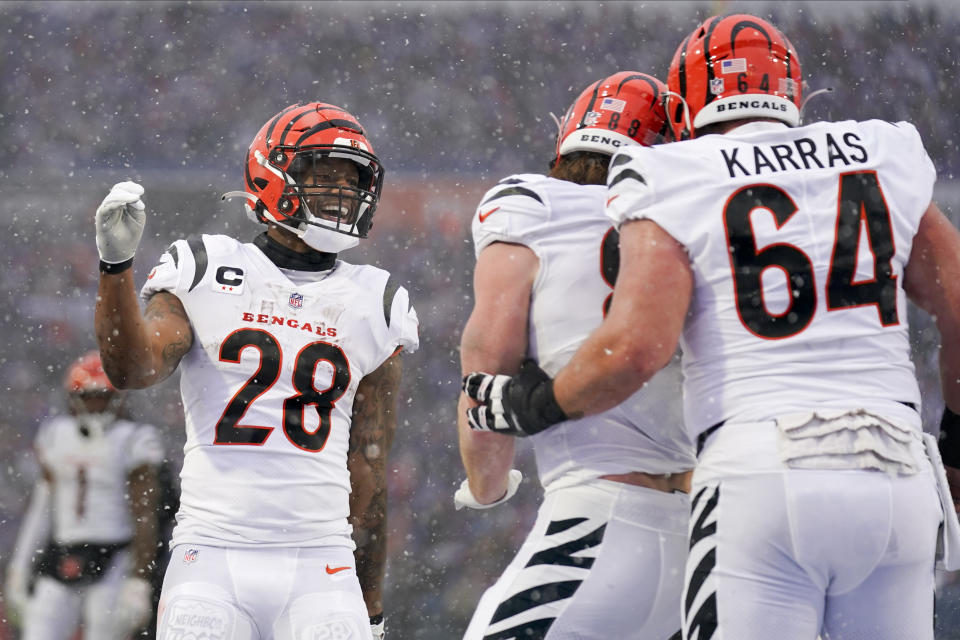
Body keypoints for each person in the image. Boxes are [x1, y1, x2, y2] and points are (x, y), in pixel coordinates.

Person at [463, 14, 960, 640]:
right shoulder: (880, 149)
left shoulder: (676, 173)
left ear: (687, 100)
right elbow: (957, 304)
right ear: (794, 93)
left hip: (761, 468)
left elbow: (635, 349)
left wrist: (532, 402)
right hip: (896, 468)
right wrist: (959, 443)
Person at [93, 102, 419, 640]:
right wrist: (115, 268)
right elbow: (132, 369)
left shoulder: (376, 299)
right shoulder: (203, 263)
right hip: (212, 555)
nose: (343, 191)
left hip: (324, 559)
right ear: (273, 175)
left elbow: (368, 464)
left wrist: (373, 603)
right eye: (325, 174)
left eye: (352, 178)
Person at [457, 72, 695, 640]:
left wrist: (486, 486)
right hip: (701, 530)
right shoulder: (689, 214)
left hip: (597, 519)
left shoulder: (531, 206)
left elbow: (486, 375)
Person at [3, 351, 162, 639]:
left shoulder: (134, 438)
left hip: (115, 554)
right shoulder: (56, 434)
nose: (95, 405)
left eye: (101, 396)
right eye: (88, 396)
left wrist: (139, 580)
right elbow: (42, 507)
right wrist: (19, 568)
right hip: (63, 551)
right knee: (39, 629)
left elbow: (144, 512)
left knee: (103, 627)